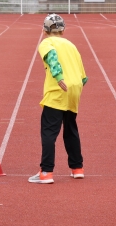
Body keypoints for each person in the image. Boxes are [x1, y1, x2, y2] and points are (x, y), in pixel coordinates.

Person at [28, 14, 88, 184]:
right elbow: (83, 76)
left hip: (58, 90)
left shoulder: (47, 43)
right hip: (75, 89)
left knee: (49, 132)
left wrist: (59, 76)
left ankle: (46, 172)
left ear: (44, 30)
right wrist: (75, 86)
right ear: (63, 29)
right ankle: (77, 168)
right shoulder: (71, 45)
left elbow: (52, 57)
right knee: (70, 129)